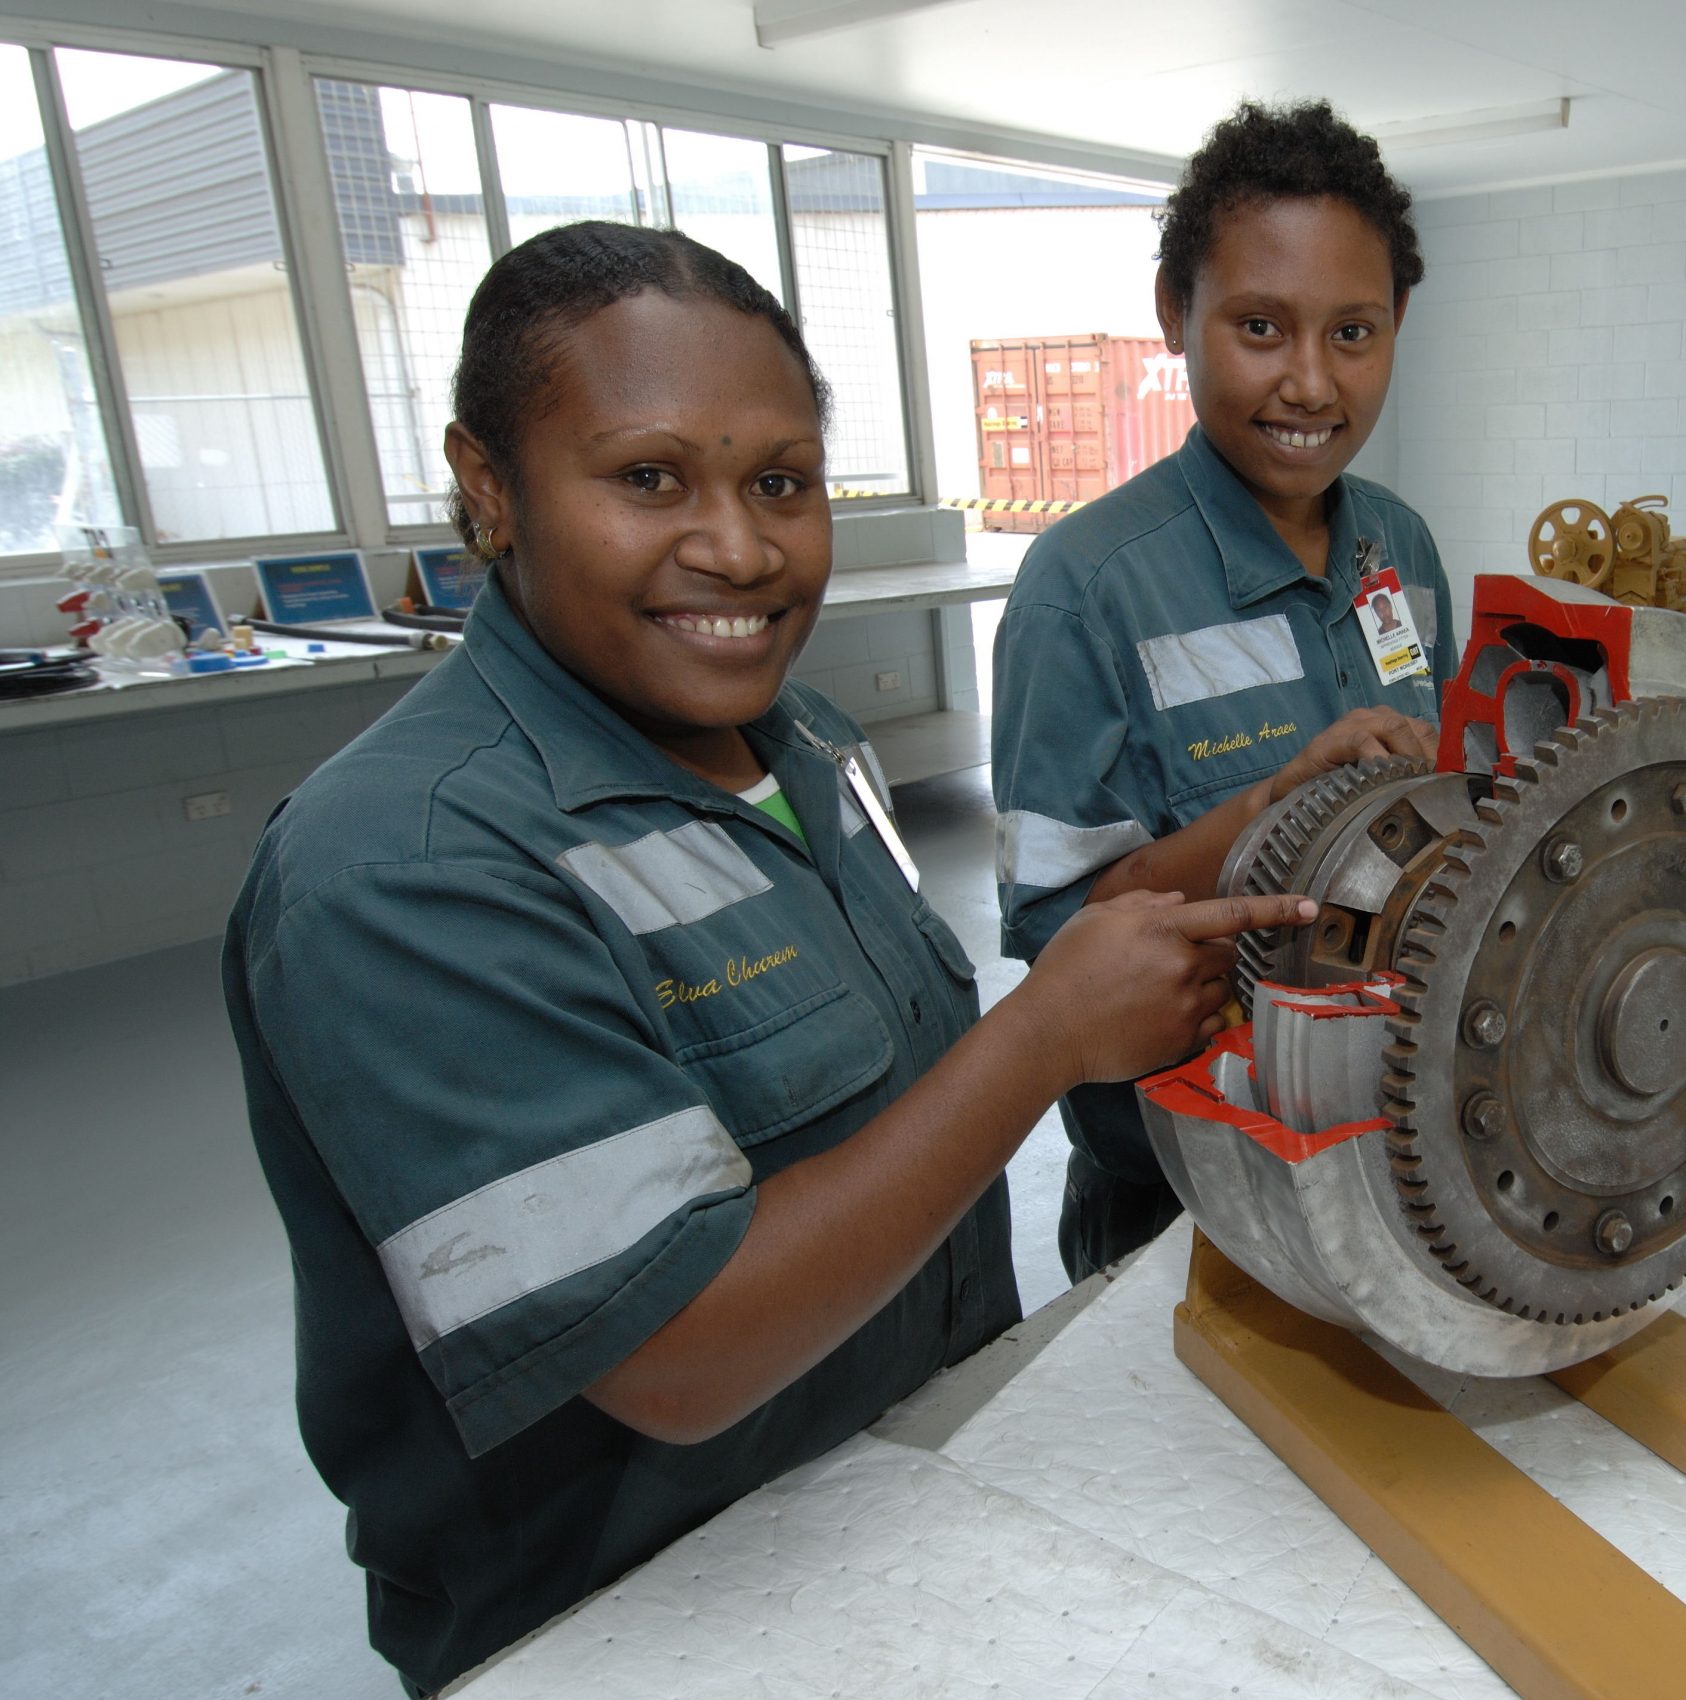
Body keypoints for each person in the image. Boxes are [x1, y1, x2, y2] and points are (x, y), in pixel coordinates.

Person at [222, 221, 1309, 1697]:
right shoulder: (401, 867)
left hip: (905, 1516)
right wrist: (1044, 1036)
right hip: (643, 1625)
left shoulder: (805, 746)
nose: (739, 546)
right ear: (491, 487)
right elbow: (679, 1354)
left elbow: (882, 1101)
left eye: (783, 484)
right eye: (647, 477)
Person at [992, 101, 1450, 1282]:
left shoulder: (1398, 545)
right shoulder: (1083, 587)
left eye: (1353, 333)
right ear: (1173, 313)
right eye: (1259, 325)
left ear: (1397, 323)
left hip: (1382, 1122)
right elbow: (1057, 935)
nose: (1309, 381)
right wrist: (1270, 809)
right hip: (1178, 1163)